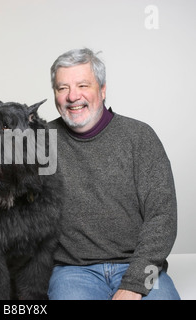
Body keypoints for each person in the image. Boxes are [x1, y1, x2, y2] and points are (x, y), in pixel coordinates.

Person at [47, 48, 180, 300]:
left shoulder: (140, 137)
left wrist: (135, 284)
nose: (72, 96)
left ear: (103, 89)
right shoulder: (40, 141)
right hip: (71, 271)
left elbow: (163, 218)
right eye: (62, 88)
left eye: (83, 85)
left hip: (144, 267)